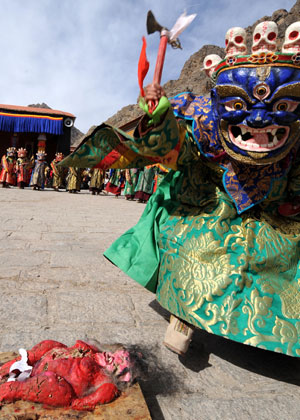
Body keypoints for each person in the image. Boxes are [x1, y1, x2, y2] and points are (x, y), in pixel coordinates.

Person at [61, 21, 300, 358]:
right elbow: (171, 146)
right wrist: (158, 117)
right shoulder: (203, 120)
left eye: (282, 106)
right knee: (193, 242)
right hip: (213, 203)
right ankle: (184, 314)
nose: (259, 119)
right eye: (239, 106)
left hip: (274, 210)